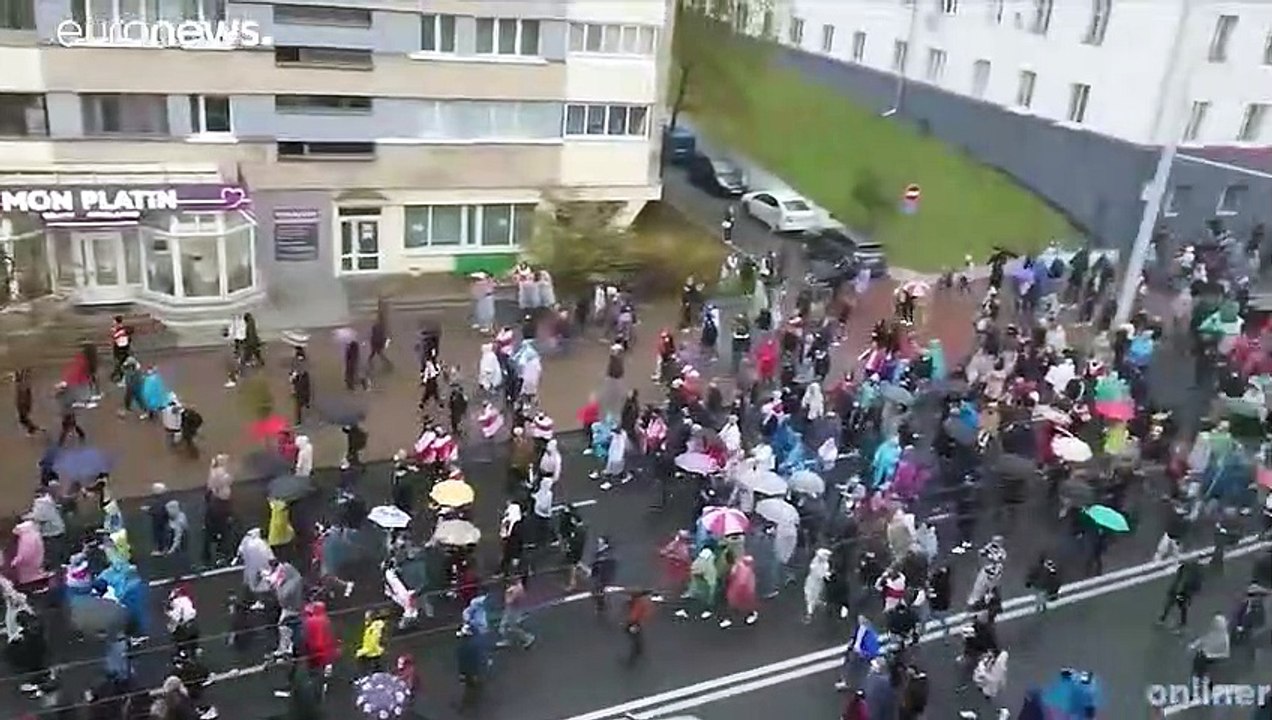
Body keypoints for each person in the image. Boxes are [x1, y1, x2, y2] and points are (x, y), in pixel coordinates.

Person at [1159, 559, 1203, 632]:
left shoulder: (1187, 571)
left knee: (1177, 605)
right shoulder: (1191, 572)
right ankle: (1179, 623)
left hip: (1181, 593)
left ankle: (1167, 620)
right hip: (1180, 592)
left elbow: (1179, 581)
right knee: (1177, 605)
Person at [497, 576, 535, 649]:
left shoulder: (517, 589)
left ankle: (528, 637)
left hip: (513, 611)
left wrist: (507, 594)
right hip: (512, 609)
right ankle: (507, 640)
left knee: (512, 626)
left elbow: (509, 601)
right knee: (503, 625)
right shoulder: (517, 587)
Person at [624, 588, 653, 663]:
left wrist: (630, 623)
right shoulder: (646, 601)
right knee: (637, 636)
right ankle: (639, 650)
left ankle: (633, 657)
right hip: (640, 622)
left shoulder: (639, 603)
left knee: (635, 637)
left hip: (636, 623)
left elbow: (634, 615)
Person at [14, 369, 38, 435]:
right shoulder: (23, 389)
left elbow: (27, 395)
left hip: (23, 402)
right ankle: (32, 428)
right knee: (23, 418)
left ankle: (32, 428)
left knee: (22, 418)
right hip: (23, 402)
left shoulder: (23, 389)